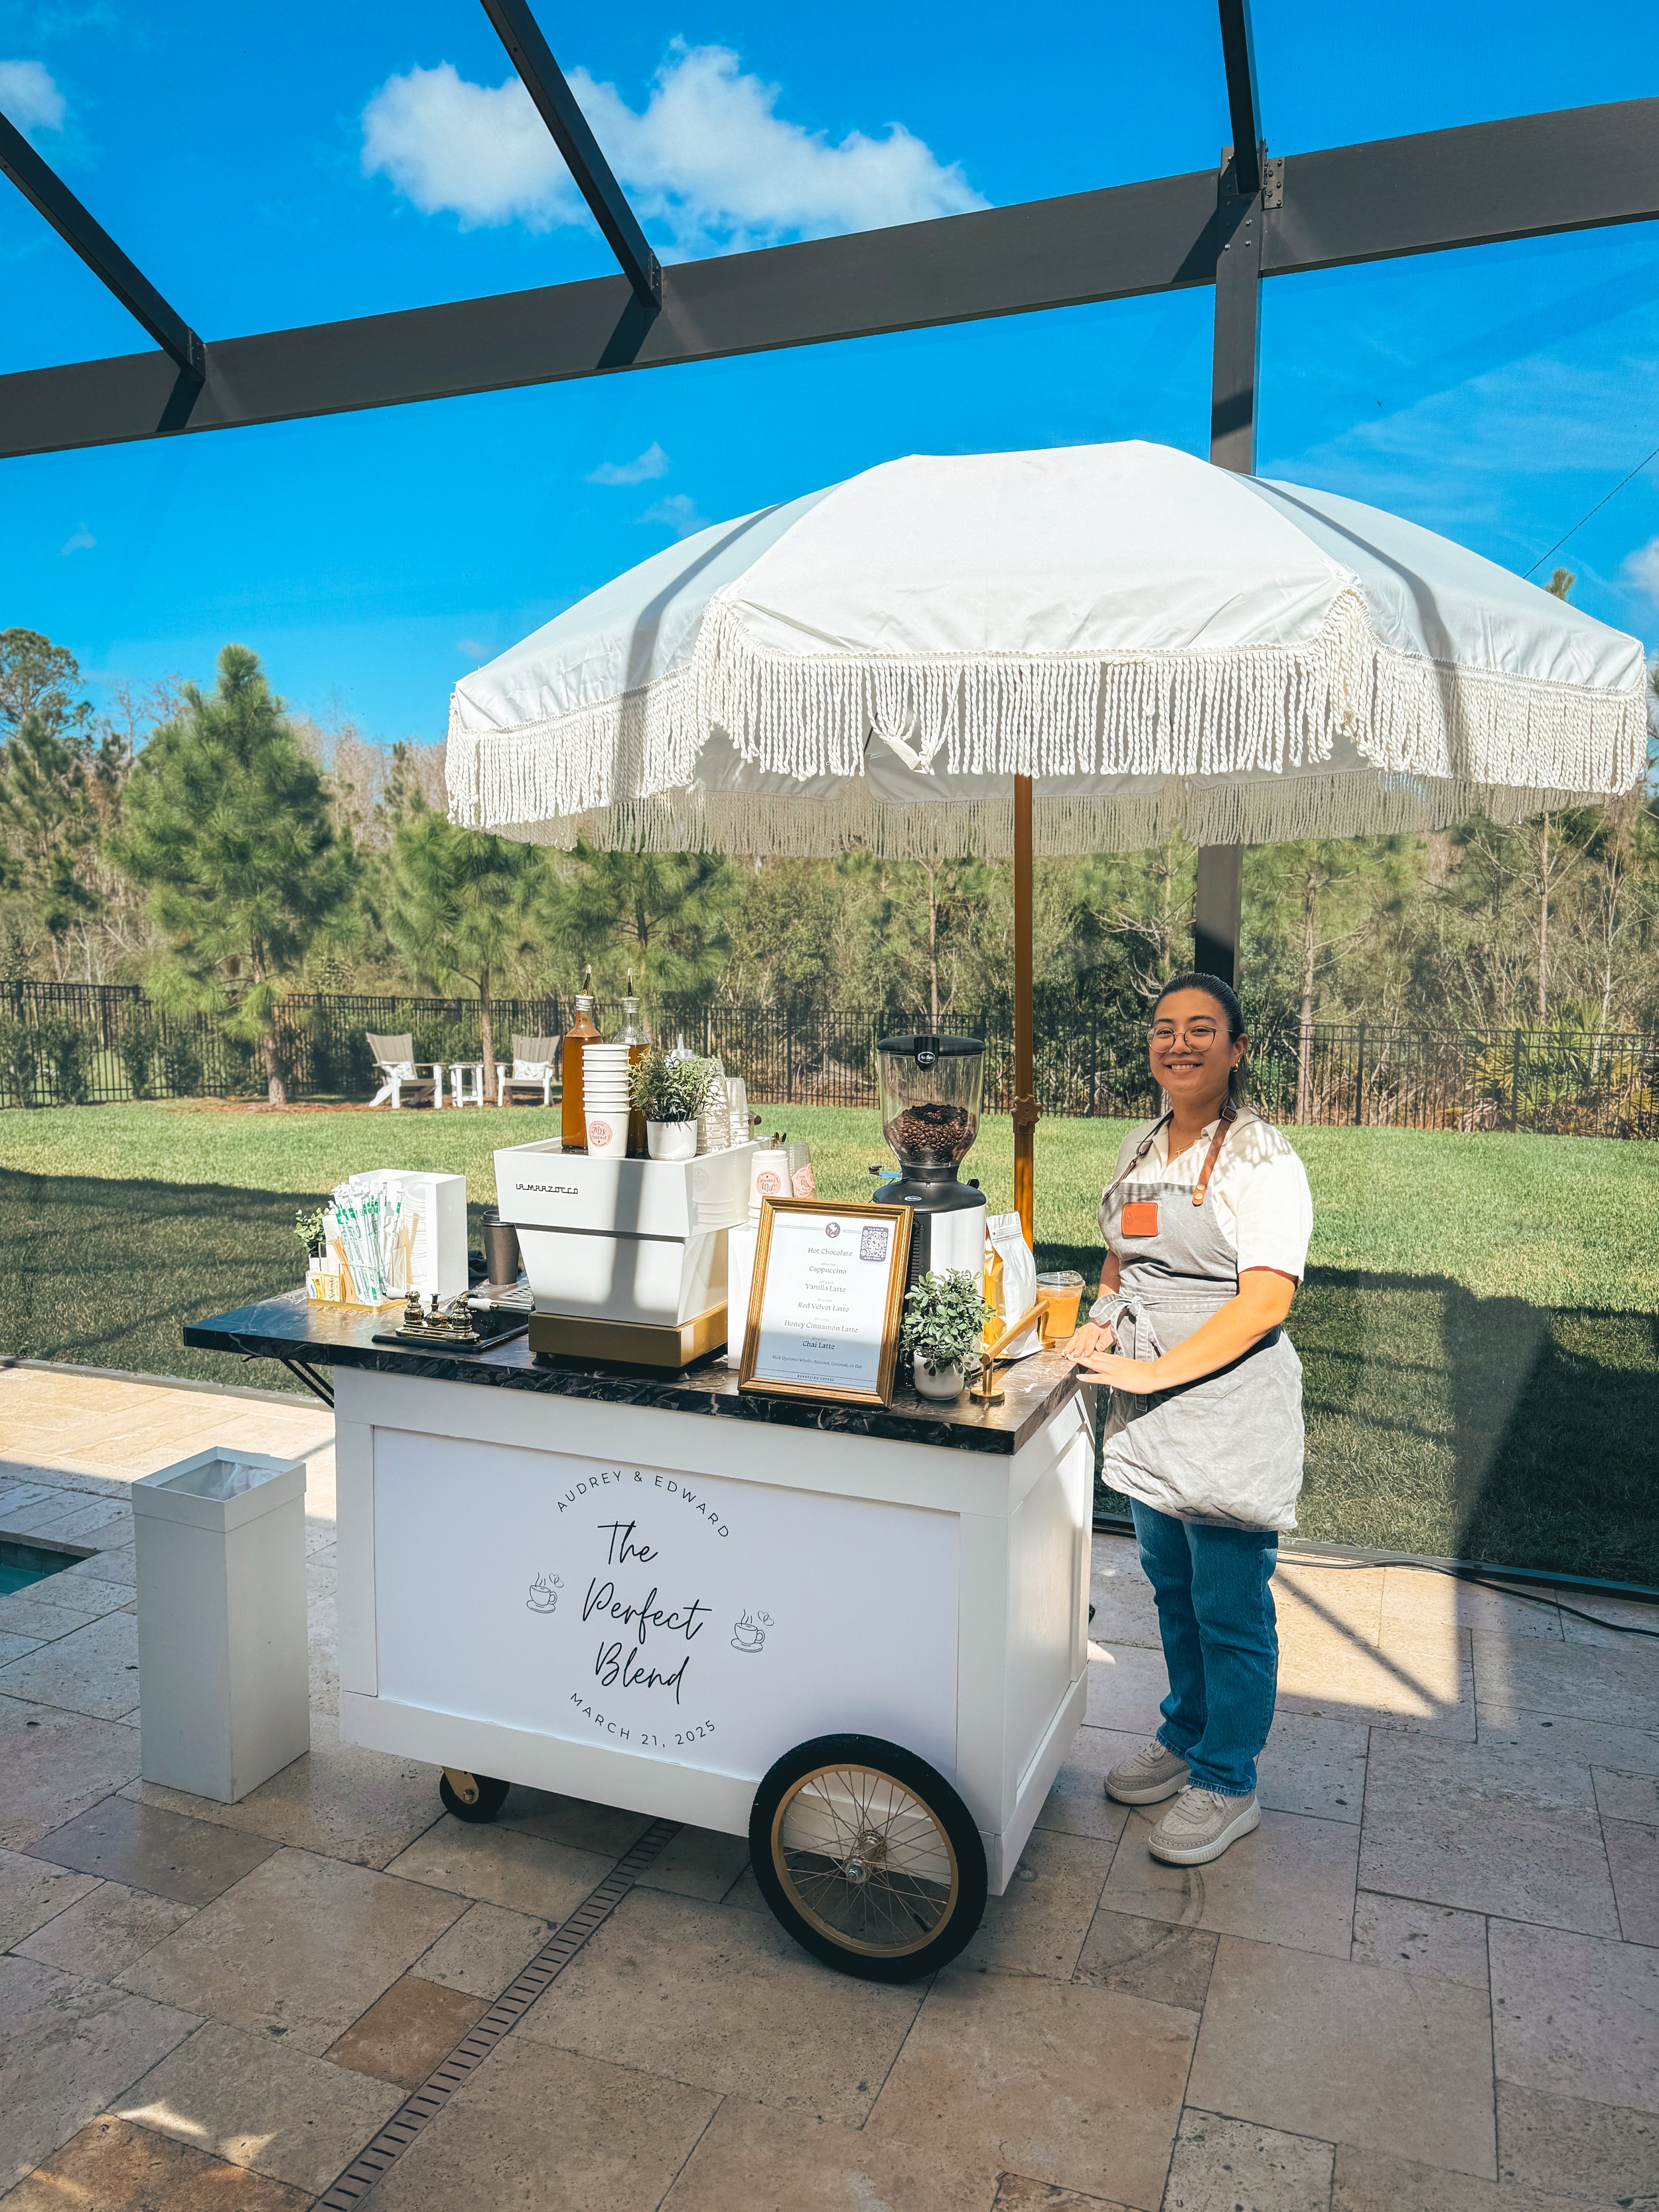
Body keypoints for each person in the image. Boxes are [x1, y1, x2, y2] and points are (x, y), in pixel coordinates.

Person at [1065, 972, 1311, 1868]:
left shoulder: (1262, 1161)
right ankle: (1186, 1731)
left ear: (1237, 1048)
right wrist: (1100, 1314)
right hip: (1150, 1403)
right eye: (1165, 1028)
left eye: (1202, 1029)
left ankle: (1227, 1779)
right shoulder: (1143, 1146)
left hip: (1224, 1405)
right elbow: (1124, 1250)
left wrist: (1156, 1368)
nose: (1180, 1042)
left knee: (1230, 1605)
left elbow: (1262, 1304)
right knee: (1172, 1587)